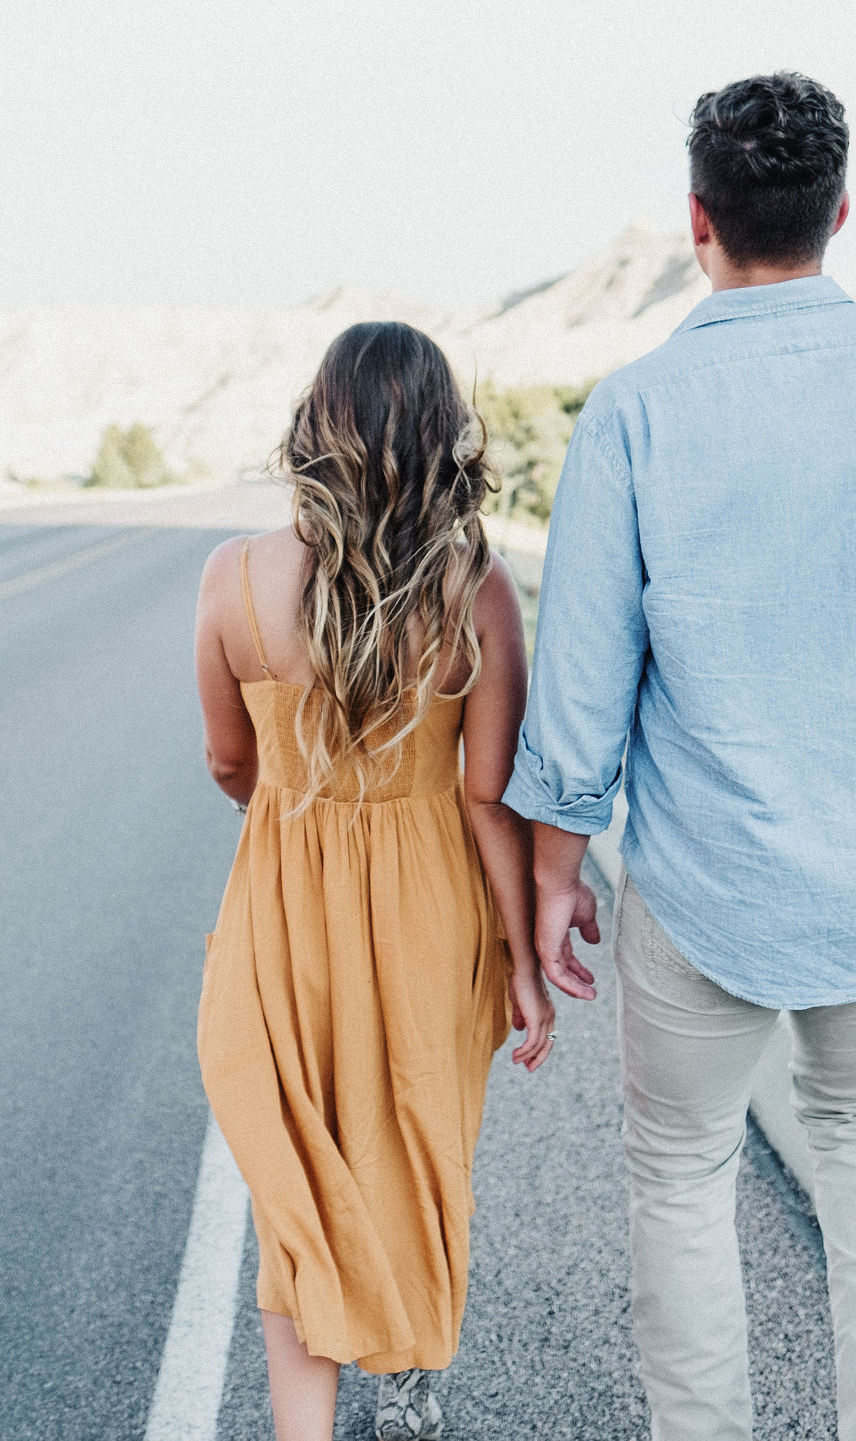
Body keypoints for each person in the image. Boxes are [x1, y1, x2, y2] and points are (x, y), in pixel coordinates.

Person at [504, 70, 856, 1441]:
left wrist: (556, 875)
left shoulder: (636, 412)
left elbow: (577, 694)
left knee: (683, 1172)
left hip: (708, 891)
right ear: (842, 211)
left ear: (697, 218)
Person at [194, 321, 556, 1441]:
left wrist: (303, 808)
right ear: (445, 436)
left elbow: (226, 762)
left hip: (283, 906)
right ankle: (407, 1363)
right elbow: (489, 795)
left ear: (317, 427)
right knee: (411, 1146)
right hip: (427, 914)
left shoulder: (233, 578)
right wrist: (526, 958)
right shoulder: (477, 589)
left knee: (293, 1185)